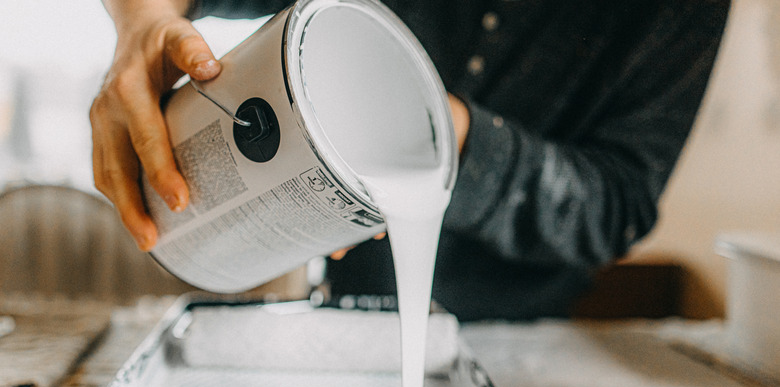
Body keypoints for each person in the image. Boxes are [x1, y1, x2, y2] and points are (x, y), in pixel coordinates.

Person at [90, 0, 730, 320]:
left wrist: (447, 133)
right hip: (344, 304)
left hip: (524, 334)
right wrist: (142, 20)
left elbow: (618, 206)